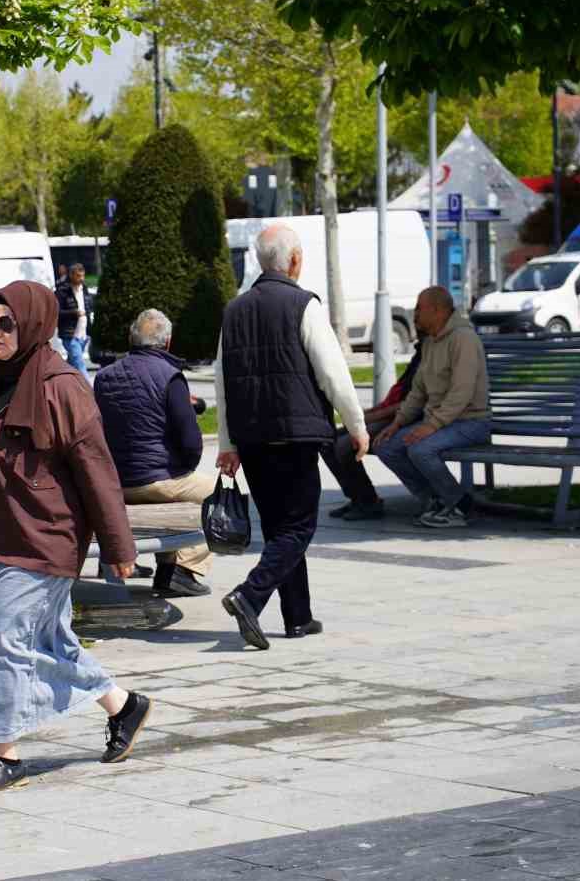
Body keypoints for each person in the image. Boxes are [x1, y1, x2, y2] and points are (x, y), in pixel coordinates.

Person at [0, 281, 151, 795]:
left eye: (6, 323)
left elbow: (97, 468)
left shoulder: (62, 385)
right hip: (3, 533)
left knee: (0, 635)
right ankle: (124, 706)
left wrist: (120, 547)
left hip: (46, 536)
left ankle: (5, 755)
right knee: (53, 642)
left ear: (32, 323)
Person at [214, 224, 367, 650]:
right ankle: (250, 595)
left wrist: (227, 443)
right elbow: (333, 373)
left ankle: (298, 616)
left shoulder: (234, 312)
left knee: (281, 526)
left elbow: (223, 382)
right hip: (297, 437)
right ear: (295, 260)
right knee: (298, 527)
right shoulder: (305, 305)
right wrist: (357, 427)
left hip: (252, 438)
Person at [92, 308, 214, 598]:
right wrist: (183, 468)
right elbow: (190, 441)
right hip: (157, 479)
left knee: (176, 491)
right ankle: (184, 570)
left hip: (115, 481)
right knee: (217, 492)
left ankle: (168, 569)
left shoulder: (104, 377)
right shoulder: (170, 376)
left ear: (131, 338)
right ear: (167, 342)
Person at [374, 286, 492, 529]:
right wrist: (397, 423)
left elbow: (462, 393)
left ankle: (461, 505)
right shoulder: (430, 342)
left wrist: (431, 426)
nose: (414, 314)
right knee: (386, 445)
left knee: (420, 449)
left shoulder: (464, 339)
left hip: (471, 422)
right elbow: (418, 392)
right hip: (441, 422)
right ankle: (436, 501)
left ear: (437, 310)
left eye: (419, 308)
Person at [321, 327, 425, 521]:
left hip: (407, 417)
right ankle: (357, 497)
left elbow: (414, 402)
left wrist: (370, 417)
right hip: (392, 413)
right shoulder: (422, 352)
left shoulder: (433, 354)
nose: (416, 318)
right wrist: (368, 414)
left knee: (345, 446)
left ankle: (369, 502)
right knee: (327, 442)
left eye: (420, 311)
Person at [55, 263, 93, 379]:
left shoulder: (84, 289)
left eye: (83, 276)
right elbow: (57, 312)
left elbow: (88, 306)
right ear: (71, 275)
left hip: (83, 335)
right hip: (70, 335)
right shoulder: (62, 291)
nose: (81, 279)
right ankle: (91, 393)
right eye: (78, 276)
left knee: (71, 365)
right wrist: (74, 313)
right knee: (80, 365)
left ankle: (61, 382)